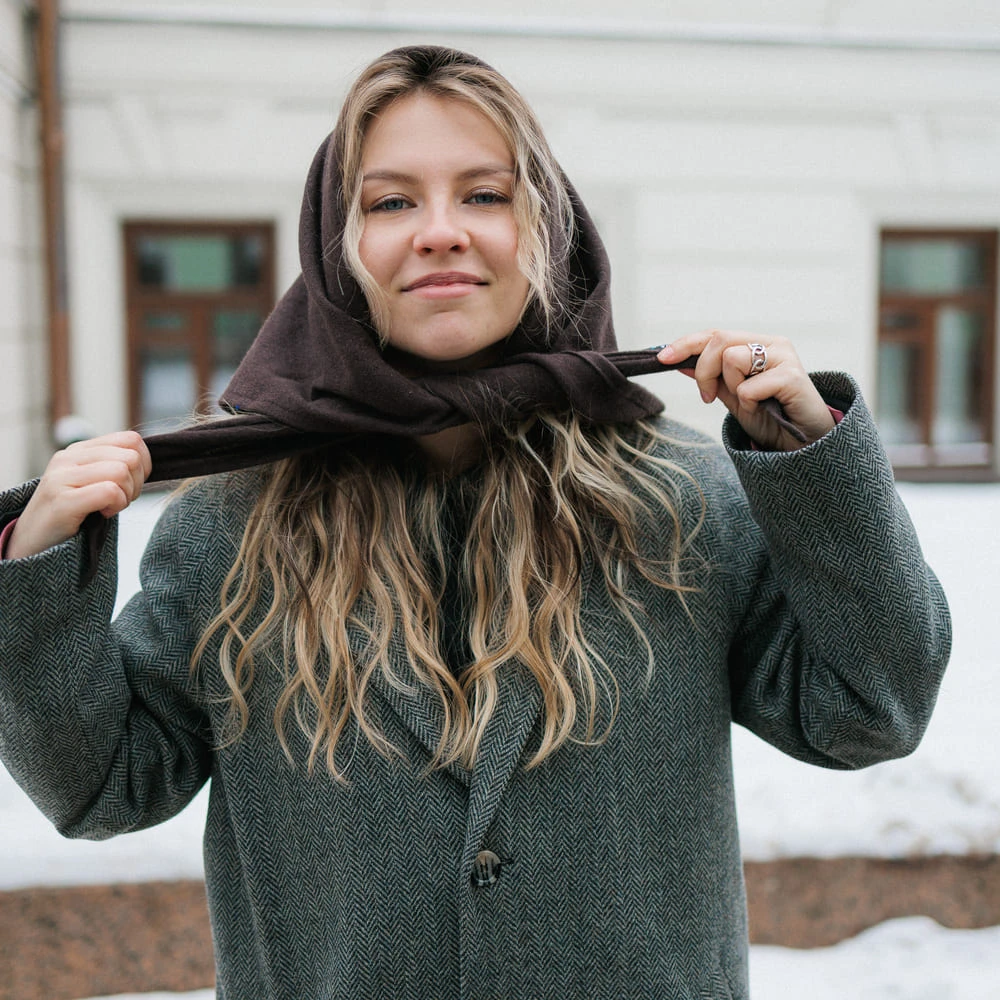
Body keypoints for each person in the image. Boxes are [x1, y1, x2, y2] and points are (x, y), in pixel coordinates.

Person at [0, 45, 950, 1000]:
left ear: (547, 228)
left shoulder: (681, 500)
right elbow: (104, 787)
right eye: (390, 202)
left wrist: (811, 460)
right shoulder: (231, 517)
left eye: (486, 196)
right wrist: (36, 561)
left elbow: (872, 709)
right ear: (336, 244)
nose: (440, 232)